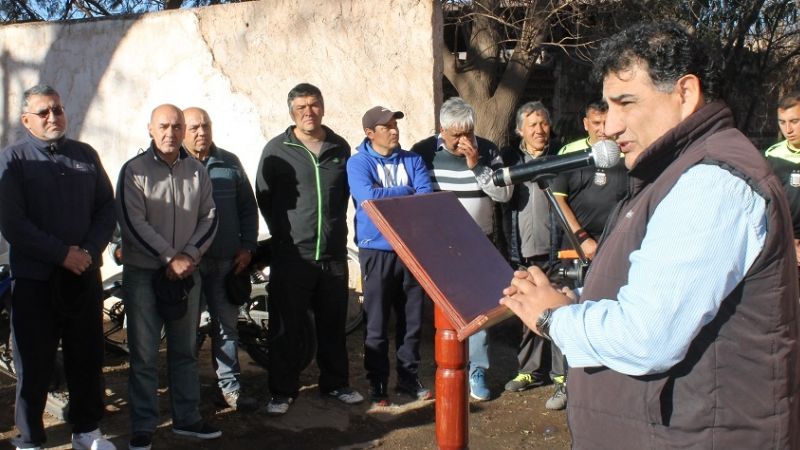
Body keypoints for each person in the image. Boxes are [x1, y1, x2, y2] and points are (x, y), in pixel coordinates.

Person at [500, 22, 800, 448]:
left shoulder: (711, 182)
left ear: (685, 94)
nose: (611, 126)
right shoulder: (672, 171)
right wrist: (579, 304)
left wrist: (554, 318)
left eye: (626, 103)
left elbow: (648, 337)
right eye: (607, 107)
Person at [0, 84, 117, 450]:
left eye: (58, 109)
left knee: (87, 357)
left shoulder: (84, 155)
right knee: (35, 365)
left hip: (82, 277)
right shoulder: (13, 160)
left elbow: (106, 209)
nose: (54, 117)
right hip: (36, 282)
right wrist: (61, 253)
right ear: (26, 120)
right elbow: (13, 223)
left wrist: (88, 250)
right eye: (44, 112)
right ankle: (30, 439)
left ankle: (86, 431)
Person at [255, 83, 363, 416]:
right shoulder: (277, 150)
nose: (308, 112)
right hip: (292, 256)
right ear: (292, 112)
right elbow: (264, 194)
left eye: (314, 105)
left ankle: (335, 384)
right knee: (286, 327)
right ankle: (282, 391)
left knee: (333, 326)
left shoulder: (339, 147)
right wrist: (285, 235)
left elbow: (348, 192)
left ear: (323, 107)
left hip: (332, 254)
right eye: (301, 106)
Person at [116, 104, 220, 450]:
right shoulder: (134, 171)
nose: (171, 133)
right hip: (145, 274)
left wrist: (189, 255)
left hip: (186, 274)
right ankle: (144, 424)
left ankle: (187, 419)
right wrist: (169, 257)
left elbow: (209, 217)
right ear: (150, 128)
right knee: (144, 353)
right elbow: (133, 223)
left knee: (185, 350)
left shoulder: (196, 171)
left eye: (177, 126)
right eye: (163, 126)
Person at [410, 97, 512, 401]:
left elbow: (504, 194)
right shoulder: (424, 151)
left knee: (478, 308)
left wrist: (476, 165)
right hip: (441, 244)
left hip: (479, 241)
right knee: (445, 310)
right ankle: (447, 364)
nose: (464, 140)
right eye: (456, 135)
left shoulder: (488, 149)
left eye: (468, 132)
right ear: (443, 130)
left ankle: (477, 369)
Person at [541, 100, 628, 411]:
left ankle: (603, 382)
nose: (602, 129)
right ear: (585, 123)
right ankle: (562, 383)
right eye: (596, 123)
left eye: (606, 122)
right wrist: (582, 239)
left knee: (605, 312)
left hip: (614, 250)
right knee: (565, 310)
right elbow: (558, 199)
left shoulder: (622, 155)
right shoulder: (573, 156)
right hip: (574, 250)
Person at [348, 105, 434, 406]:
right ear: (370, 133)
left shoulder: (413, 159)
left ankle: (409, 380)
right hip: (376, 249)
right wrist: (405, 191)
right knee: (377, 321)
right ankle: (378, 383)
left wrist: (399, 194)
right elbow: (368, 198)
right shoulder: (358, 163)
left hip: (411, 250)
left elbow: (425, 197)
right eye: (386, 126)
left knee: (411, 322)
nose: (394, 129)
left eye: (395, 124)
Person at [182, 107, 259, 411]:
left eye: (206, 126)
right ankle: (185, 394)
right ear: (183, 132)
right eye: (194, 128)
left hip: (227, 262)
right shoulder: (176, 165)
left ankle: (230, 389)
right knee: (187, 332)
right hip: (191, 266)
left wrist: (248, 246)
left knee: (227, 328)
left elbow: (247, 208)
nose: (202, 132)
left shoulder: (229, 162)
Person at [500, 102, 563, 405]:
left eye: (543, 123)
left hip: (558, 250)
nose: (539, 130)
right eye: (532, 125)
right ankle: (529, 370)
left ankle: (562, 376)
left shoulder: (561, 156)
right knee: (527, 313)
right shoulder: (511, 159)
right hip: (523, 249)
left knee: (561, 310)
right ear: (520, 130)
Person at [765, 91, 800, 264]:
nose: (788, 129)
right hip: (785, 242)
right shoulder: (772, 156)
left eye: (794, 121)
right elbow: (768, 203)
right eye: (782, 122)